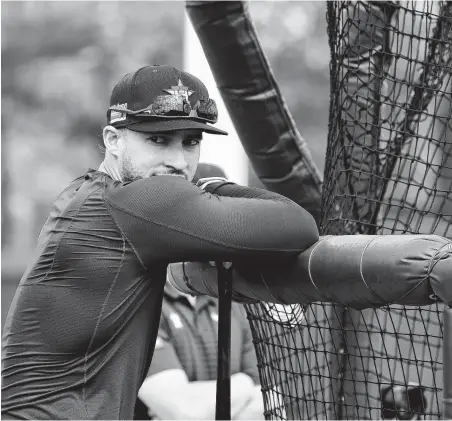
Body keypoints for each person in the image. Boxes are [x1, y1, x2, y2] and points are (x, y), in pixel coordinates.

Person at [1, 64, 319, 420]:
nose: (178, 161)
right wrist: (212, 185)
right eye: (158, 139)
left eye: (191, 142)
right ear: (113, 139)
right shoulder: (138, 203)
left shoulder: (91, 193)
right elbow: (300, 224)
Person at [135, 163, 264, 420]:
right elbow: (183, 412)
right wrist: (241, 384)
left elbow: (268, 403)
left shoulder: (236, 299)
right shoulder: (140, 301)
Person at [135, 265, 264, 420]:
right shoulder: (141, 305)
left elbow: (268, 405)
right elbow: (183, 412)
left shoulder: (233, 301)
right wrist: (245, 383)